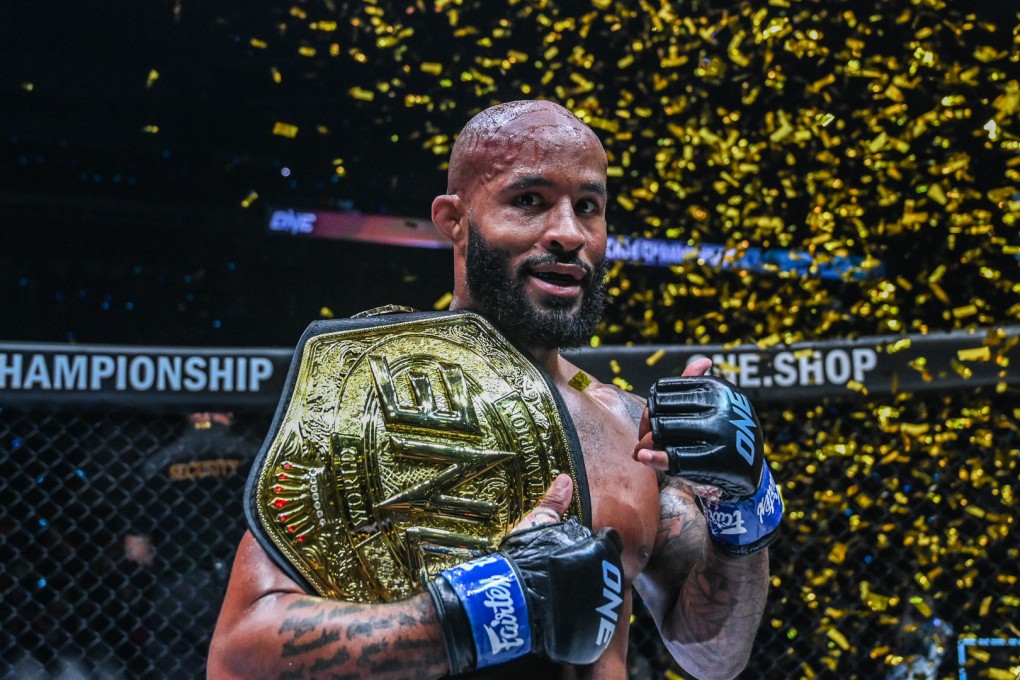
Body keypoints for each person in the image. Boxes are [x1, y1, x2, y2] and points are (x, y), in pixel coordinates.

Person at [208, 100, 781, 680]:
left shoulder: (629, 425)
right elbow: (237, 659)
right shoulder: (368, 390)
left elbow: (714, 657)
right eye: (528, 201)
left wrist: (745, 505)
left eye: (588, 207)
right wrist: (480, 612)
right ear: (454, 218)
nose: (567, 233)